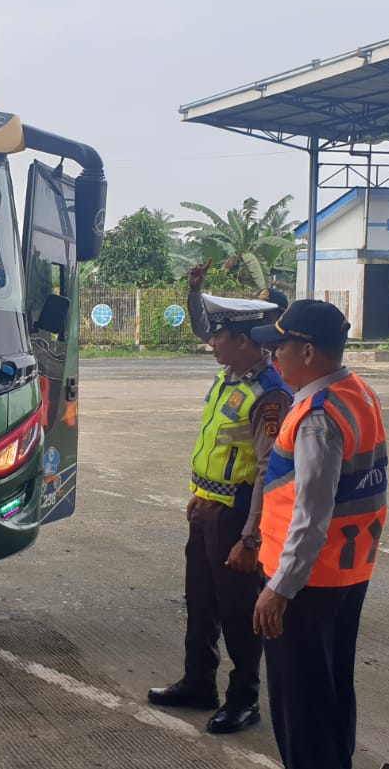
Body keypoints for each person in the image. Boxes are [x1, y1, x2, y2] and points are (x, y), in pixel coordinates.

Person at [148, 265, 292, 735]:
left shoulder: (269, 395)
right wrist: (200, 495)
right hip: (209, 508)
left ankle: (244, 699)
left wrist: (251, 540)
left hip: (238, 519)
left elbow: (270, 471)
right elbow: (219, 449)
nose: (211, 342)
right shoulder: (230, 377)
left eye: (220, 336)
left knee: (236, 612)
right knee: (201, 602)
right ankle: (198, 684)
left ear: (246, 342)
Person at [248, 299, 388, 769]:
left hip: (309, 584)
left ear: (307, 352)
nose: (274, 358)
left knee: (301, 709)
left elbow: (311, 513)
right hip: (348, 574)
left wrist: (279, 588)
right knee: (331, 693)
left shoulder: (317, 415)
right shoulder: (358, 392)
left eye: (280, 347)